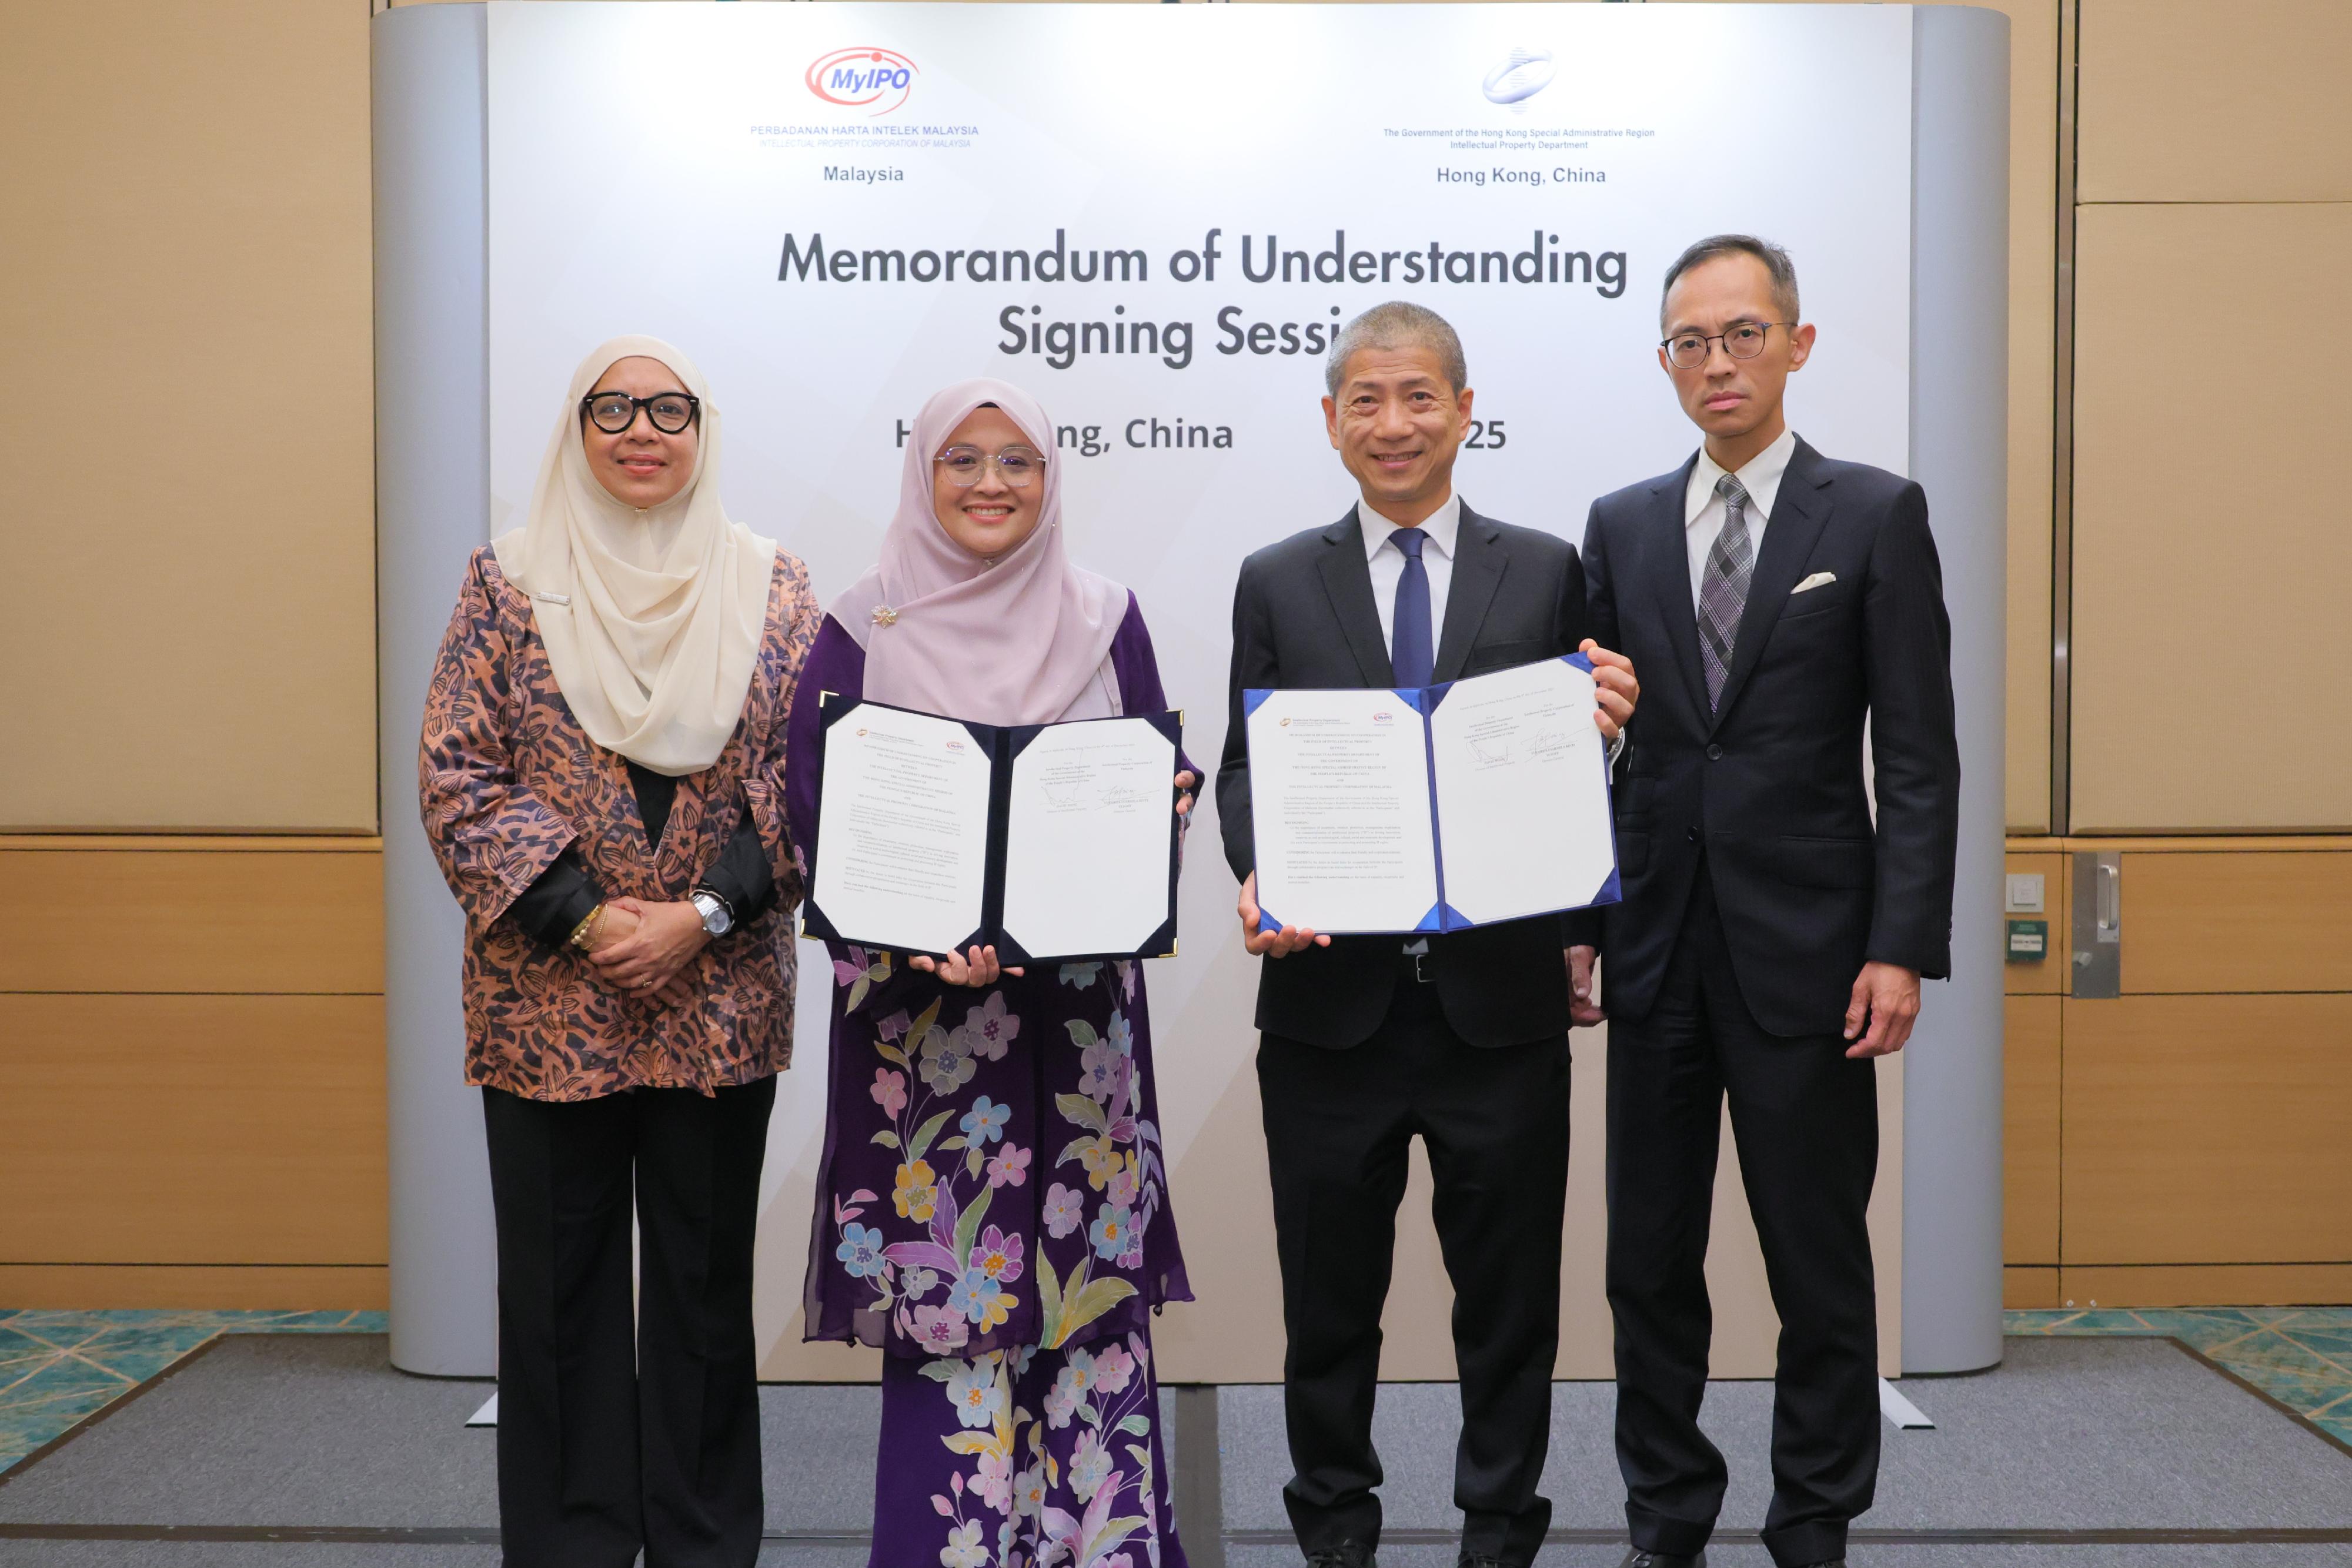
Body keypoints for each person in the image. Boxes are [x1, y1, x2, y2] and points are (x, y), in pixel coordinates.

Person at [1215, 302, 1640, 1568]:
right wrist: (1257, 871)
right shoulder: (1275, 576)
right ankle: (1334, 1531)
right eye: (1366, 399)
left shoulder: (1546, 568)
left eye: (1416, 397)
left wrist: (1608, 765)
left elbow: (1579, 769)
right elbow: (1245, 767)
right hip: (1325, 1011)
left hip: (1498, 1007)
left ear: (1463, 411)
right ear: (1331, 420)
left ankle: (1499, 1531)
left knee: (1507, 1307)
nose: (1391, 423)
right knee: (1327, 1306)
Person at [1580, 236, 1961, 1568]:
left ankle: (1813, 1519)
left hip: (1812, 955)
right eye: (1691, 341)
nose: (1718, 361)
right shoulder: (1621, 523)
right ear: (1666, 362)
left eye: (1742, 333)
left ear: (1796, 344)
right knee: (1647, 1262)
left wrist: (1900, 945)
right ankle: (1665, 1516)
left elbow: (1915, 754)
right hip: (1653, 947)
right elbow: (1587, 747)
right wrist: (1579, 923)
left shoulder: (1873, 514)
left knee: (1816, 1258)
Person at [419, 336, 818, 1568]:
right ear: (576, 428)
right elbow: (457, 773)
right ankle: (571, 1545)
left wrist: (701, 915)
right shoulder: (507, 582)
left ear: (702, 429)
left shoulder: (775, 587)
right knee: (556, 1295)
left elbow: (809, 779)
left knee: (701, 1293)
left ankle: (702, 1543)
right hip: (549, 1004)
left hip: (719, 997)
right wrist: (591, 917)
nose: (642, 430)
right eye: (613, 408)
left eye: (668, 409)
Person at [790, 379, 1197, 1568]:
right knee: (950, 1320)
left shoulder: (1106, 615)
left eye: (1017, 460)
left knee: (1088, 1307)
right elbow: (812, 804)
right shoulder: (861, 625)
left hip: (1076, 1038)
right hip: (923, 1043)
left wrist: (1157, 814)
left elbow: (1142, 786)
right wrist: (907, 934)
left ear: (1050, 478)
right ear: (922, 473)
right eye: (961, 458)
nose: (988, 482)